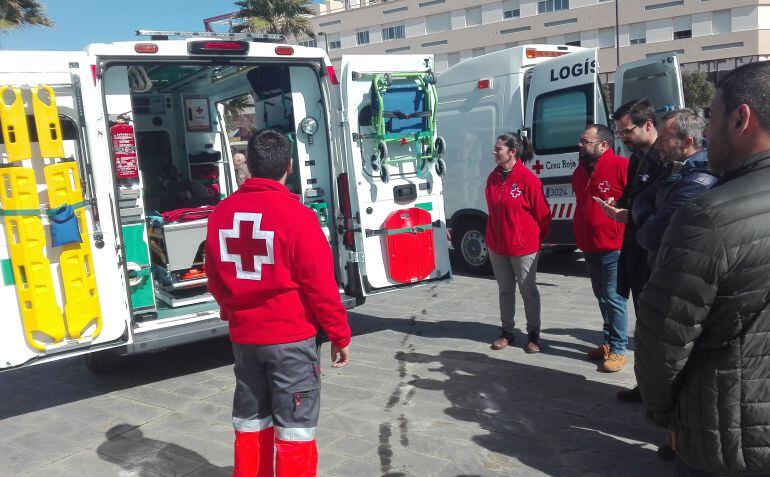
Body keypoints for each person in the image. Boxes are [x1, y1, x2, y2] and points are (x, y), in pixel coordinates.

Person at [635, 61, 770, 476]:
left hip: (725, 438)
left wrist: (665, 414)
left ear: (740, 118)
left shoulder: (708, 216)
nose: (705, 133)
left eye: (711, 116)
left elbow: (664, 339)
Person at [205, 129, 351, 477]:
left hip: (245, 341)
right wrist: (339, 336)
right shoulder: (297, 216)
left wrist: (233, 312)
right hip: (290, 342)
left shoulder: (221, 214)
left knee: (251, 423)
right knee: (295, 431)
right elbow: (320, 286)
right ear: (289, 166)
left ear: (250, 165)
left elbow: (214, 277)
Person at [485, 132, 551, 354]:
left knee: (528, 291)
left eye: (498, 149)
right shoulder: (493, 177)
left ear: (512, 152)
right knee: (505, 290)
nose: (494, 152)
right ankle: (507, 332)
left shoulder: (528, 179)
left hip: (523, 247)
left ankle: (533, 335)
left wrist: (532, 240)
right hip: (497, 246)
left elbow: (543, 215)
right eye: (495, 149)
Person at [571, 124, 629, 372]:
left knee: (614, 298)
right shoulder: (579, 172)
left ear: (603, 144)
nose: (580, 145)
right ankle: (608, 342)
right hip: (589, 245)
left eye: (586, 141)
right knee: (602, 297)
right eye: (581, 141)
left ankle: (618, 349)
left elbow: (633, 201)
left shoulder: (620, 166)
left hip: (613, 246)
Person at [631, 108, 718, 267]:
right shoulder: (673, 167)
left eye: (664, 140)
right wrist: (649, 218)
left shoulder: (698, 182)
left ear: (687, 142)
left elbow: (652, 236)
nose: (657, 145)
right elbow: (641, 199)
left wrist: (640, 226)